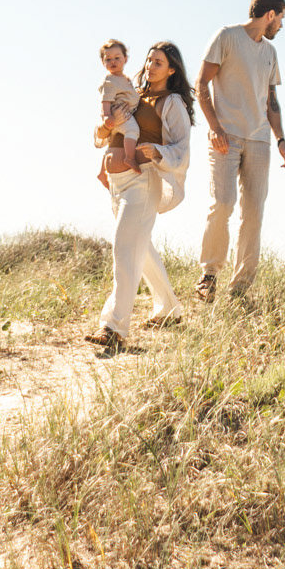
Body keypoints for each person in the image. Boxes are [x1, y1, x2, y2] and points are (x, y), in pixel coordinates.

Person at [87, 41, 193, 352]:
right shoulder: (132, 93)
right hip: (117, 183)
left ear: (171, 70)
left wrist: (156, 151)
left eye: (158, 62)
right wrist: (106, 126)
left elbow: (181, 148)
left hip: (143, 182)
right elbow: (102, 134)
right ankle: (169, 310)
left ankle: (113, 327)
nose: (150, 66)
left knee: (124, 248)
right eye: (149, 61)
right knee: (140, 249)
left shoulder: (172, 103)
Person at [195, 0, 285, 304]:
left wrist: (280, 139)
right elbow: (201, 84)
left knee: (253, 214)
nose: (281, 26)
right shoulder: (226, 37)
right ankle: (209, 275)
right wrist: (214, 127)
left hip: (259, 140)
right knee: (223, 203)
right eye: (281, 18)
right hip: (225, 136)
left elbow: (271, 101)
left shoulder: (270, 53)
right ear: (270, 15)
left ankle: (240, 288)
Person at [94, 38, 140, 190]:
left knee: (113, 139)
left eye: (117, 58)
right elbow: (105, 100)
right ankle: (129, 157)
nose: (112, 61)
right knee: (132, 131)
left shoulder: (126, 79)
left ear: (125, 59)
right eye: (108, 59)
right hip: (119, 115)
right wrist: (107, 115)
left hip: (123, 114)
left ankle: (102, 172)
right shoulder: (109, 80)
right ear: (103, 62)